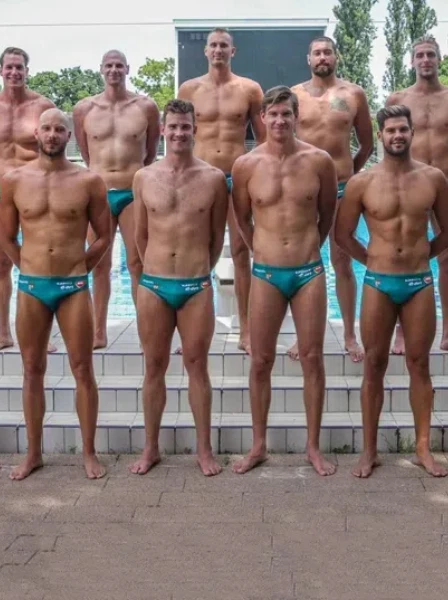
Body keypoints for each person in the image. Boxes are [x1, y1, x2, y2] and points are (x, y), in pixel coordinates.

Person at [334, 105, 448, 478]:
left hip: (418, 282)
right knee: (374, 364)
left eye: (403, 129)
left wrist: (422, 256)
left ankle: (422, 448)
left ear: (412, 132)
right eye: (390, 131)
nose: (397, 136)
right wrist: (372, 260)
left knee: (419, 364)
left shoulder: (433, 179)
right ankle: (369, 450)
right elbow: (342, 235)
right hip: (379, 283)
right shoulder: (362, 182)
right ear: (380, 135)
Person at [0, 109, 111, 480]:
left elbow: (105, 235)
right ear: (36, 132)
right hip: (32, 287)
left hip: (72, 287)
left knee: (83, 370)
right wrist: (24, 266)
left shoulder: (89, 181)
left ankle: (89, 452)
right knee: (32, 370)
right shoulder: (14, 180)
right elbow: (5, 236)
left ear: (68, 136)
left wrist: (82, 269)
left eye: (60, 129)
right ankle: (33, 453)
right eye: (46, 128)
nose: (52, 134)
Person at [230, 86, 337, 475]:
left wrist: (306, 249)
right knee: (260, 360)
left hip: (308, 271)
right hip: (266, 273)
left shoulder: (319, 161)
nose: (279, 121)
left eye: (286, 114)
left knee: (312, 359)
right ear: (262, 118)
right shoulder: (246, 165)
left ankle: (313, 447)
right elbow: (242, 218)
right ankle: (258, 445)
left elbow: (327, 214)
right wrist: (262, 250)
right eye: (272, 114)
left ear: (297, 117)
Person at [129, 99, 228, 477]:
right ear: (163, 131)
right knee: (154, 366)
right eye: (173, 126)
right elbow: (140, 236)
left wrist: (197, 269)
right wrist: (155, 270)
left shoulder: (214, 179)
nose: (179, 132)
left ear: (195, 129)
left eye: (186, 126)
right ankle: (151, 447)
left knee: (197, 366)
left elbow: (216, 238)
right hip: (154, 285)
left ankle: (204, 450)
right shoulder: (144, 177)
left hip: (195, 284)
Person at [178, 28, 266, 354]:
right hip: (200, 179)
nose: (218, 50)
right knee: (196, 253)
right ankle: (194, 330)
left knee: (242, 253)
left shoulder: (249, 90)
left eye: (224, 46)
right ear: (205, 51)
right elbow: (180, 134)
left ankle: (245, 328)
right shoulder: (189, 89)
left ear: (234, 51)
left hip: (237, 175)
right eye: (213, 45)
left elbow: (263, 139)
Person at [386, 36, 448, 355]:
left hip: (445, 183)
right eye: (420, 55)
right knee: (405, 255)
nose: (425, 60)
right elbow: (390, 139)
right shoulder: (398, 97)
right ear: (412, 61)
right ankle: (400, 332)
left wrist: (445, 180)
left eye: (431, 55)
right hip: (408, 184)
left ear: (439, 59)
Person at [290, 36, 374, 363]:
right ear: (308, 59)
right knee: (305, 263)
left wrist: (350, 174)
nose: (322, 57)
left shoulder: (353, 94)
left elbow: (366, 143)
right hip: (305, 191)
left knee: (343, 262)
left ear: (335, 57)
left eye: (327, 52)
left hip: (342, 188)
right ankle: (304, 336)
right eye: (317, 53)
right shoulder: (294, 96)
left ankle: (350, 334)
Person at [73, 49, 160, 349]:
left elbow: (150, 153)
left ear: (127, 69)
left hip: (132, 191)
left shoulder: (146, 106)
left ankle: (145, 329)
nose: (114, 70)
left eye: (119, 65)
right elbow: (86, 154)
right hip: (99, 193)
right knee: (99, 263)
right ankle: (99, 330)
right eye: (109, 65)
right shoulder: (84, 109)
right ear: (101, 69)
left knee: (138, 262)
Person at [0, 47, 57, 353]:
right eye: (9, 67)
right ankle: (3, 333)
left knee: (40, 262)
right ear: (0, 71)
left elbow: (51, 145)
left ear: (27, 70)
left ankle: (44, 333)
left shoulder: (43, 105)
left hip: (37, 193)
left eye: (19, 67)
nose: (14, 72)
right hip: (1, 194)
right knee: (1, 264)